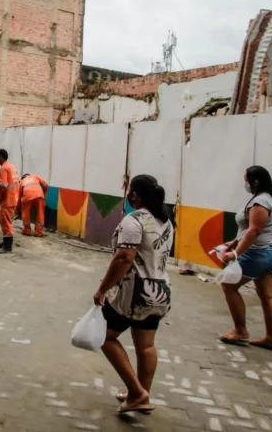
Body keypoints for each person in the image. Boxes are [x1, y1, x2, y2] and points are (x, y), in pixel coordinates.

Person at [92, 174, 173, 415]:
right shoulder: (164, 221)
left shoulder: (134, 220)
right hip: (160, 291)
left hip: (135, 292)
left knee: (105, 337)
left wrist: (103, 289)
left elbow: (124, 258)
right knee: (146, 346)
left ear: (135, 195)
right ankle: (141, 394)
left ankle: (137, 393)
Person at [217, 165, 272, 352]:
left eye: (246, 180)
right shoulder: (267, 198)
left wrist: (235, 253)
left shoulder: (260, 202)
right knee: (268, 295)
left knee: (228, 285)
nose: (245, 183)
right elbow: (249, 228)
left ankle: (240, 331)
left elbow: (254, 231)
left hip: (258, 254)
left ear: (255, 182)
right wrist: (234, 241)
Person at [0, 149, 20, 253]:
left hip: (7, 200)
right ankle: (5, 242)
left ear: (1, 157)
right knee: (2, 219)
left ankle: (7, 247)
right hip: (13, 198)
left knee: (6, 222)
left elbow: (3, 185)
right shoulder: (11, 167)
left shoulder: (4, 168)